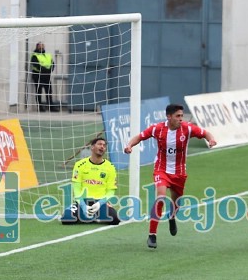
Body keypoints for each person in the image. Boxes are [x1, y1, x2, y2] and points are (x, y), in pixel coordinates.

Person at [124, 103, 217, 249]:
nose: (181, 119)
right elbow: (140, 137)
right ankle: (152, 234)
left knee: (176, 202)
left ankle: (172, 216)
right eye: (178, 116)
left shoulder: (188, 128)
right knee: (160, 197)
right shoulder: (157, 129)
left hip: (179, 172)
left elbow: (205, 133)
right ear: (169, 117)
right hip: (161, 169)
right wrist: (129, 145)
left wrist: (211, 140)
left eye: (182, 116)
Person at [61, 137, 121, 225]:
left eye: (104, 145)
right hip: (83, 201)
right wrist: (83, 205)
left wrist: (100, 204)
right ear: (92, 147)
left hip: (100, 202)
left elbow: (111, 191)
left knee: (114, 219)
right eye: (99, 144)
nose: (102, 147)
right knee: (66, 218)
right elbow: (76, 189)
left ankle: (93, 214)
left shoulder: (110, 167)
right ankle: (88, 214)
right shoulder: (80, 165)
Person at [30, 42, 58, 112]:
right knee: (39, 91)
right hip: (38, 75)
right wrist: (46, 70)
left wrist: (50, 69)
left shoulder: (47, 55)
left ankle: (51, 107)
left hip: (47, 76)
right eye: (40, 46)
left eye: (43, 46)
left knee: (49, 91)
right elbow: (36, 65)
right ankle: (40, 107)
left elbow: (52, 63)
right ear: (37, 47)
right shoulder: (35, 55)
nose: (41, 47)